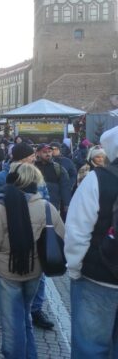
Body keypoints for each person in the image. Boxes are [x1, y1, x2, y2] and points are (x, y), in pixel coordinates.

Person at [0, 163, 65, 358]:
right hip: (34, 272)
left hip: (6, 272)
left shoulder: (1, 208)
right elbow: (61, 237)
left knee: (11, 324)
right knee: (24, 316)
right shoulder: (47, 208)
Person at [65, 126, 118, 357]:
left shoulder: (97, 179)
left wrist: (74, 269)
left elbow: (77, 231)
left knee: (90, 350)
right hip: (101, 276)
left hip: (99, 277)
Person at [35, 144, 71, 214]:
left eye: (49, 151)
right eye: (44, 152)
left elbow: (65, 187)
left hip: (54, 206)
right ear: (38, 153)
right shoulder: (32, 167)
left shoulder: (58, 168)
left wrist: (67, 204)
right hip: (36, 206)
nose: (48, 154)